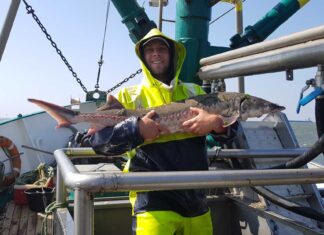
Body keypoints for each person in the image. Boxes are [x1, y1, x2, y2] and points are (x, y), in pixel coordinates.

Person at [85, 28, 236, 235]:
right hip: (152, 201)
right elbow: (98, 143)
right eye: (150, 50)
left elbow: (231, 132)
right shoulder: (126, 97)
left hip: (197, 199)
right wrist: (135, 129)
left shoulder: (196, 92)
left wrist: (217, 123)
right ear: (143, 57)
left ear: (173, 55)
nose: (156, 54)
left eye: (162, 49)